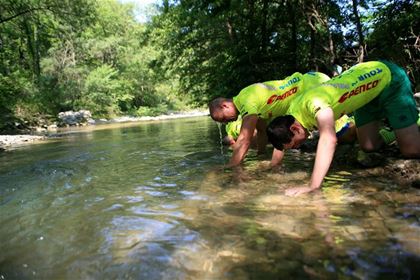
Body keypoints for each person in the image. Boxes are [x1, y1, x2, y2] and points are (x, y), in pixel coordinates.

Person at [266, 60, 420, 196]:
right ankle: (396, 131)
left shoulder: (313, 103)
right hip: (366, 98)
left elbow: (329, 139)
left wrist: (312, 186)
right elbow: (279, 137)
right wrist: (272, 170)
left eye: (295, 145)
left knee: (411, 150)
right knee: (369, 146)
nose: (297, 147)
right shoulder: (291, 114)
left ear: (294, 129)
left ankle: (415, 121)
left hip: (388, 79)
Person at [209, 71, 331, 167]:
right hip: (312, 80)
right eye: (223, 122)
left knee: (340, 131)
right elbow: (262, 132)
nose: (226, 122)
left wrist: (232, 166)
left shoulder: (246, 102)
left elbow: (244, 139)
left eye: (223, 118)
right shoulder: (250, 104)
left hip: (313, 84)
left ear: (224, 105)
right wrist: (260, 156)